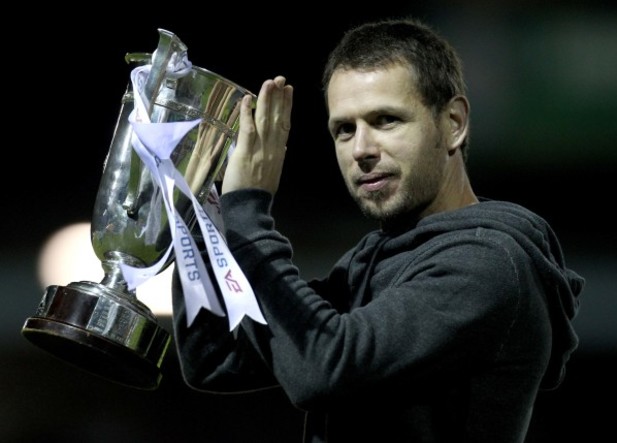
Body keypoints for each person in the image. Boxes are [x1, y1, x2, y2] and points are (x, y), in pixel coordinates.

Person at [171, 17, 584, 443]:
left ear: (454, 123)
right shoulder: (374, 260)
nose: (362, 150)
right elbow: (217, 357)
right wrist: (200, 212)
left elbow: (324, 369)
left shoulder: (488, 263)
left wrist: (248, 211)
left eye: (386, 120)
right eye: (344, 129)